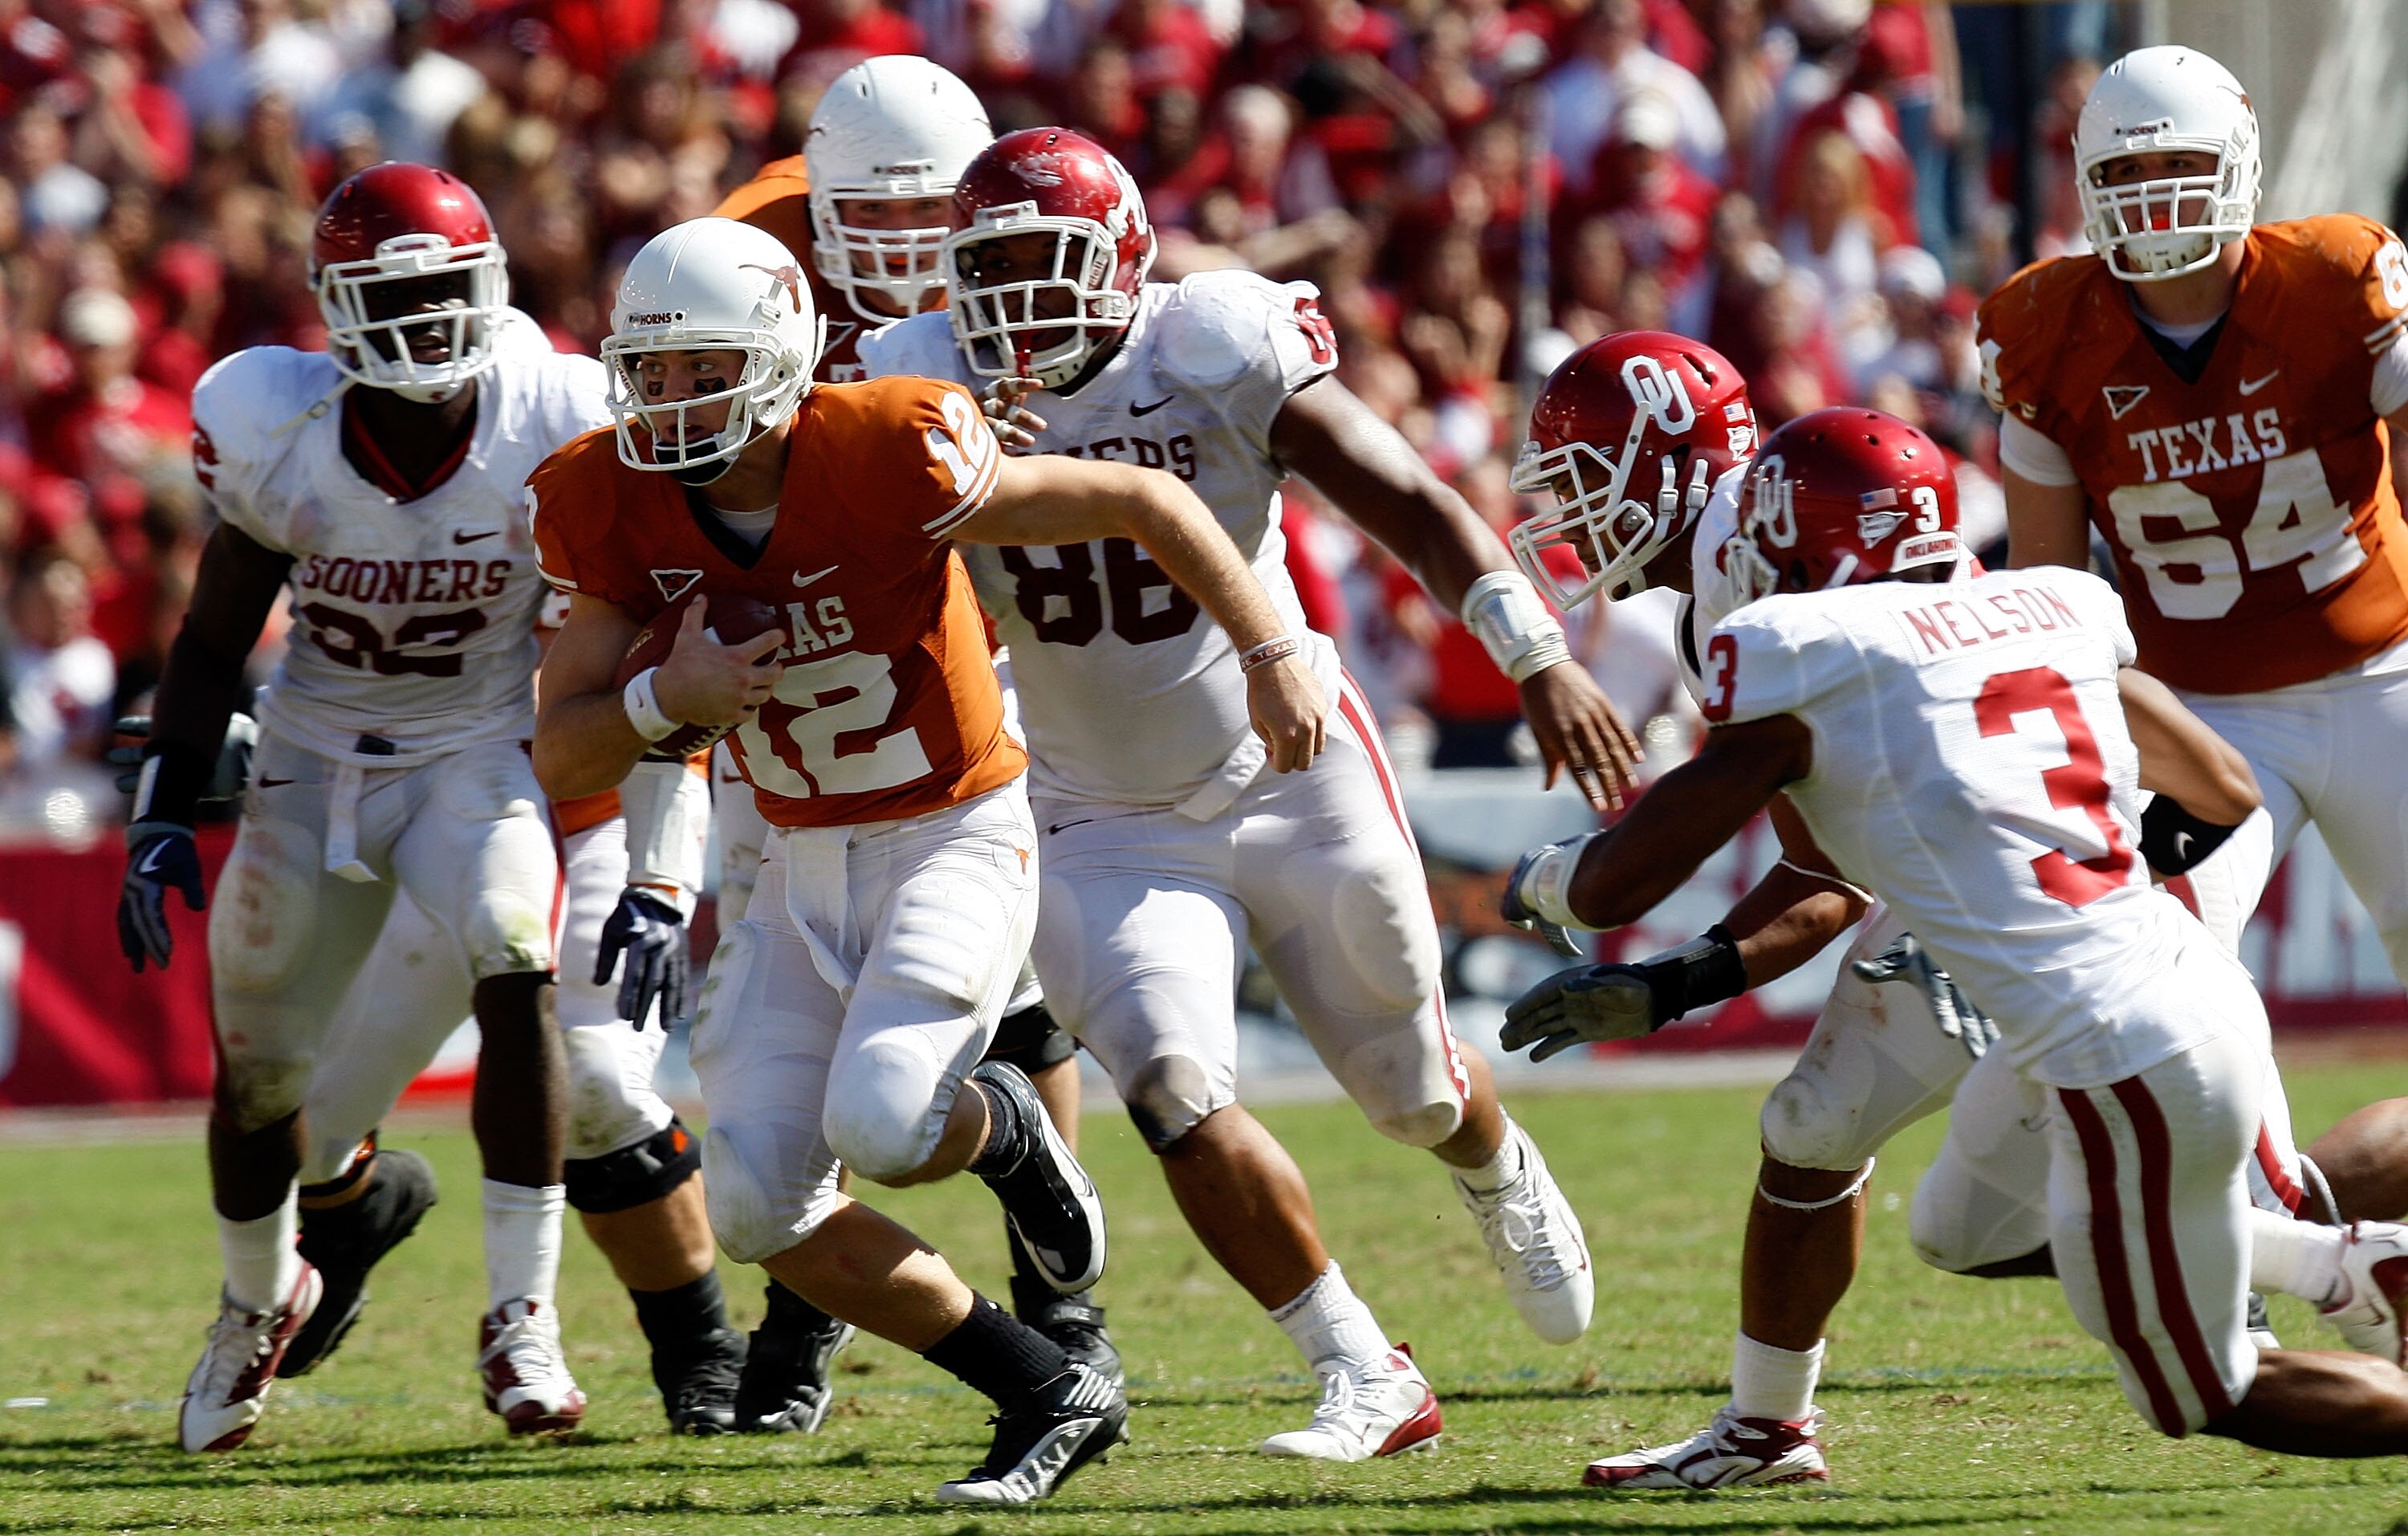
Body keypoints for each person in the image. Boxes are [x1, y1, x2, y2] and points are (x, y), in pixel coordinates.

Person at [528, 214, 1324, 1505]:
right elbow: (560, 751)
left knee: (889, 1125)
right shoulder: (601, 496)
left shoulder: (889, 444)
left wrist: (1272, 646)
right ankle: (1046, 1387)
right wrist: (659, 703)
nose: (670, 401)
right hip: (793, 860)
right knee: (758, 1208)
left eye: (704, 367)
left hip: (952, 827)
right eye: (652, 370)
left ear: (785, 359)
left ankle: (1007, 1125)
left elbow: (1143, 495)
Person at [861, 126, 1625, 1461]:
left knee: (1413, 1091)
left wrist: (1537, 653)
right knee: (1170, 1087)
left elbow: (1412, 500)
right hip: (1098, 807)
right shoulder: (918, 385)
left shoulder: (1212, 342)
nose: (1022, 300)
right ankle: (1362, 1367)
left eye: (1053, 262)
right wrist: (952, 474)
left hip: (1291, 760)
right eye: (994, 270)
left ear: (1127, 259)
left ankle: (1493, 1166)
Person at [1503, 406, 2408, 1473]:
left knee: (2205, 1383)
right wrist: (2064, 881)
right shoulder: (2045, 604)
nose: (1748, 553)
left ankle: (2347, 1265)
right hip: (2172, 977)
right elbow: (2223, 787)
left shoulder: (1806, 652)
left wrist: (1538, 880)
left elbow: (1617, 884)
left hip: (2118, 1039)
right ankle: (2351, 1267)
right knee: (1961, 1224)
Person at [117, 163, 600, 1452]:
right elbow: (213, 634)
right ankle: (251, 1303)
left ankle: (522, 1315)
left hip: (471, 753)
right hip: (312, 760)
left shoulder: (550, 410)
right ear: (336, 308)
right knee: (260, 1068)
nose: (434, 323)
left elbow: (626, 594)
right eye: (404, 297)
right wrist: (163, 801)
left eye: (452, 291)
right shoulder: (281, 430)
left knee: (514, 952)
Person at [707, 53, 1121, 1408]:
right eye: (864, 221)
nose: (895, 252)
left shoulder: (1019, 243)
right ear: (814, 205)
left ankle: (1065, 1307)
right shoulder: (739, 260)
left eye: (922, 222)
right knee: (786, 1002)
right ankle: (804, 1300)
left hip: (972, 615)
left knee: (1011, 995)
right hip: (801, 645)